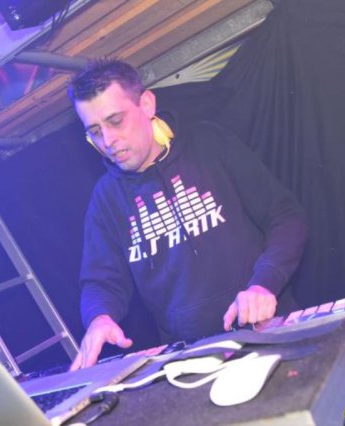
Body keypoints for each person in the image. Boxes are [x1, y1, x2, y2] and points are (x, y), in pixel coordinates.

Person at [67, 59, 306, 370]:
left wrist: (264, 284)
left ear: (147, 104)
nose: (108, 141)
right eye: (95, 131)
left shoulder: (209, 145)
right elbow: (101, 281)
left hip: (269, 329)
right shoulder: (106, 198)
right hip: (191, 357)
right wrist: (99, 318)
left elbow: (285, 216)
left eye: (116, 121)